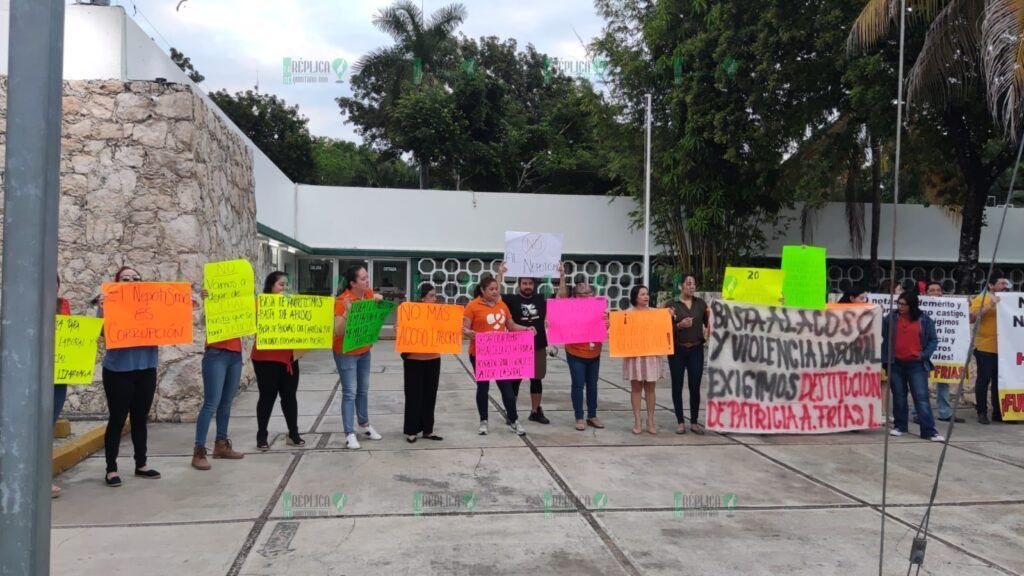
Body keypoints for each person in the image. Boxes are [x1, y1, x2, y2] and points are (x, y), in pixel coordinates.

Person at [96, 266, 161, 487]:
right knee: (117, 419)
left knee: (140, 419)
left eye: (136, 278)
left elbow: (170, 322)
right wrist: (103, 309)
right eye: (125, 279)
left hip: (146, 369)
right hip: (118, 371)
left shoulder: (152, 304)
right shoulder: (109, 304)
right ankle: (111, 469)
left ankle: (141, 464)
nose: (131, 281)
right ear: (117, 282)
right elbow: (103, 333)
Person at [462, 275, 535, 436]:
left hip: (500, 353)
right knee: (483, 387)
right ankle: (483, 420)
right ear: (482, 290)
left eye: (497, 289)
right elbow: (464, 328)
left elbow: (510, 325)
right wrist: (470, 334)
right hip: (479, 353)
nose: (495, 292)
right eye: (491, 289)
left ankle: (513, 419)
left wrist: (526, 329)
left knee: (507, 389)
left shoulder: (502, 305)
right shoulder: (472, 306)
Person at [497, 263, 566, 425]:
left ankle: (535, 411)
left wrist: (562, 276)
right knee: (515, 380)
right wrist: (499, 274)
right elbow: (495, 294)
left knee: (536, 379)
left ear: (534, 285)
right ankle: (511, 413)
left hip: (538, 345)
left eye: (530, 283)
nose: (527, 286)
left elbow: (561, 298)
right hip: (517, 346)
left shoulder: (541, 299)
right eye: (524, 283)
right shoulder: (511, 299)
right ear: (519, 284)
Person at [191, 288, 245, 471]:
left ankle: (221, 444)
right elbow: (203, 322)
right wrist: (207, 303)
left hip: (235, 354)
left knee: (227, 403)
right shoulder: (212, 300)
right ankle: (199, 450)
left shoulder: (241, 300)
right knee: (211, 403)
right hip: (216, 353)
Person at [250, 271, 304, 450]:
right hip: (266, 359)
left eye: (287, 285)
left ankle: (293, 433)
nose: (284, 289)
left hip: (289, 358)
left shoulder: (292, 305)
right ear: (271, 286)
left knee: (290, 397)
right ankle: (262, 435)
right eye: (281, 285)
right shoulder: (260, 304)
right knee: (267, 397)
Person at [334, 265, 385, 450]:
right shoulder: (342, 300)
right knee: (350, 392)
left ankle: (364, 425)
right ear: (353, 283)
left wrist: (379, 301)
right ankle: (349, 433)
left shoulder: (369, 295)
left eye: (367, 277)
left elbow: (375, 315)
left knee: (363, 389)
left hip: (364, 350)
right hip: (346, 352)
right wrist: (348, 312)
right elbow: (337, 331)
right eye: (363, 279)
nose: (367, 281)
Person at [882, 291, 944, 441]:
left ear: (912, 305)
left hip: (916, 363)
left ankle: (929, 431)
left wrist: (924, 355)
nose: (901, 307)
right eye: (899, 304)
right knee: (899, 396)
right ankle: (900, 426)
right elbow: (880, 334)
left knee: (921, 397)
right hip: (895, 363)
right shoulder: (890, 319)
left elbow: (933, 340)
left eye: (904, 304)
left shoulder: (924, 320)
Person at [914, 281, 965, 424]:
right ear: (925, 293)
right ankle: (918, 412)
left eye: (938, 290)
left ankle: (945, 412)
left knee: (943, 381)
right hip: (924, 350)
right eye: (932, 290)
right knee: (920, 382)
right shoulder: (918, 307)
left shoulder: (949, 305)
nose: (936, 293)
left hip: (944, 350)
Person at [666, 275, 710, 435]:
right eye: (688, 284)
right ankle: (680, 421)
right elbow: (663, 328)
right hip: (677, 350)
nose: (692, 287)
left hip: (696, 349)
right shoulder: (671, 305)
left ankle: (694, 421)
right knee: (677, 385)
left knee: (695, 385)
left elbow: (710, 322)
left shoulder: (701, 304)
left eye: (694, 284)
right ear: (680, 286)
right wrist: (678, 325)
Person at [562, 278, 605, 431]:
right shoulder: (569, 308)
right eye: (583, 293)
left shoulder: (598, 307)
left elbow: (606, 326)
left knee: (593, 385)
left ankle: (592, 415)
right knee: (578, 385)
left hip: (595, 352)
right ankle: (579, 417)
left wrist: (607, 322)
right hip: (575, 352)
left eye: (589, 292)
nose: (587, 295)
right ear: (575, 295)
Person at [402, 285, 443, 443]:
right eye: (431, 296)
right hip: (414, 360)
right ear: (423, 298)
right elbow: (402, 331)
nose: (434, 299)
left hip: (433, 358)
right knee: (413, 396)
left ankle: (428, 429)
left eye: (435, 296)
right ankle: (411, 431)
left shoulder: (439, 314)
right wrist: (398, 329)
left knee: (430, 395)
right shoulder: (411, 313)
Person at [969, 274, 1009, 424]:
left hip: (1004, 349)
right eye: (1001, 284)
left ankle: (999, 413)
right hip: (985, 347)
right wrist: (990, 305)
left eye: (1005, 284)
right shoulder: (981, 299)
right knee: (984, 380)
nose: (1004, 286)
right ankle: (981, 411)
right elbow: (971, 317)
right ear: (991, 286)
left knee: (1000, 382)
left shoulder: (1008, 300)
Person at [624, 285, 664, 435]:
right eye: (642, 294)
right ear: (635, 297)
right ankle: (637, 420)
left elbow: (663, 329)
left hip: (651, 355)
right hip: (635, 356)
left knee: (650, 389)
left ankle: (650, 420)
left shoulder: (655, 313)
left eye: (647, 294)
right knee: (635, 388)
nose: (646, 297)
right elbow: (620, 333)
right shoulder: (627, 314)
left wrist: (670, 316)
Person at [52, 274, 72, 497]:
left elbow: (69, 333)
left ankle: (41, 477)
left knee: (47, 425)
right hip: (33, 376)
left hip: (58, 376)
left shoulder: (62, 304)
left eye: (55, 281)